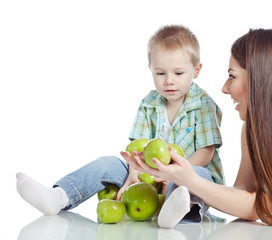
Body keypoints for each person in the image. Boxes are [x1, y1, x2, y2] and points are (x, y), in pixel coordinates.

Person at [124, 28, 272, 227]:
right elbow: (241, 196)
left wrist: (189, 178)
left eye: (232, 76)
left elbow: (260, 207)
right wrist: (180, 176)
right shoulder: (252, 131)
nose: (225, 88)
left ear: (261, 79)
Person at [16, 25, 224, 228]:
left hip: (187, 176)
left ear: (196, 70)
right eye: (161, 73)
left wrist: (177, 175)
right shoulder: (148, 103)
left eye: (178, 73)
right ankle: (59, 196)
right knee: (108, 163)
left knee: (201, 173)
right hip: (147, 174)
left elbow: (206, 151)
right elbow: (137, 147)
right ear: (151, 69)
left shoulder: (203, 105)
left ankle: (175, 211)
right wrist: (134, 172)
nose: (169, 81)